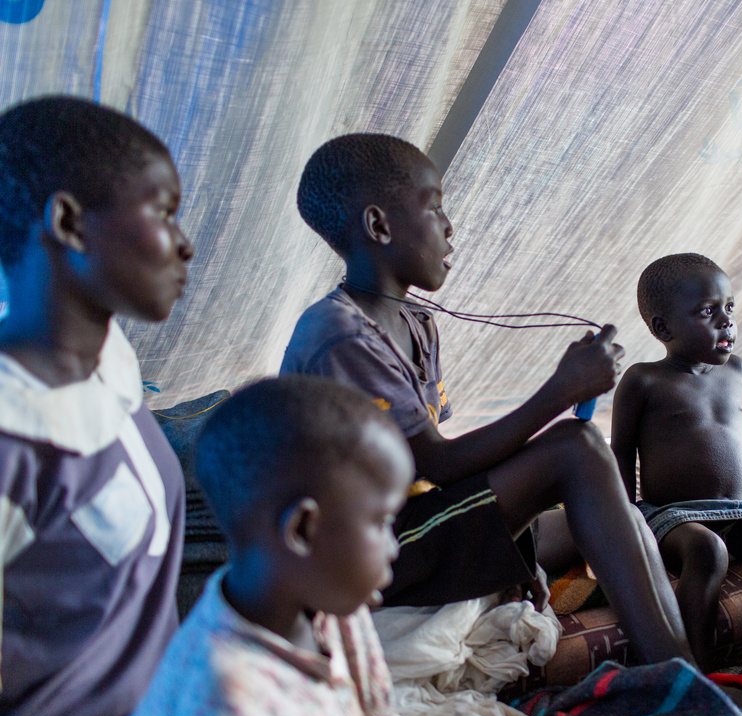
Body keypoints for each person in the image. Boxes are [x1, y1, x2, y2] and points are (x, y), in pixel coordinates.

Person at [280, 133, 691, 665]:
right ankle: (679, 677)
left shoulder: (415, 322)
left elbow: (436, 465)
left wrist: (514, 547)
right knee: (578, 448)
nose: (449, 226)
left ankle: (682, 662)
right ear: (379, 226)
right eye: (434, 207)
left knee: (618, 518)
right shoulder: (342, 337)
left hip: (421, 520)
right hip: (368, 547)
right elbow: (439, 464)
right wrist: (561, 392)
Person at [112, 375, 575, 716]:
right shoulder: (213, 705)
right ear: (304, 531)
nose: (393, 546)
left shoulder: (335, 612)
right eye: (381, 523)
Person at [0, 96, 214, 716]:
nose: (185, 244)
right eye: (164, 212)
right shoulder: (13, 444)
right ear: (68, 223)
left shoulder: (111, 367)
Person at [611, 253, 742, 670]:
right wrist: (626, 521)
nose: (726, 321)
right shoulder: (644, 380)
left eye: (729, 307)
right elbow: (620, 452)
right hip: (674, 516)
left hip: (741, 509)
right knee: (708, 550)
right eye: (707, 311)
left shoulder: (737, 371)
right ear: (663, 328)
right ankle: (696, 669)